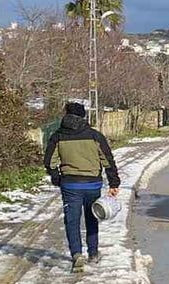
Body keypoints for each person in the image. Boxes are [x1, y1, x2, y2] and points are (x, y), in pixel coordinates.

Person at [43, 101, 120, 272]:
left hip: (70, 184)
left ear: (66, 115)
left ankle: (77, 254)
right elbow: (108, 160)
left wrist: (56, 178)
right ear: (83, 116)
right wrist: (114, 183)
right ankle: (93, 253)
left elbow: (49, 161)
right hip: (93, 183)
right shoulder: (94, 136)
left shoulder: (58, 136)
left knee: (72, 220)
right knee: (92, 217)